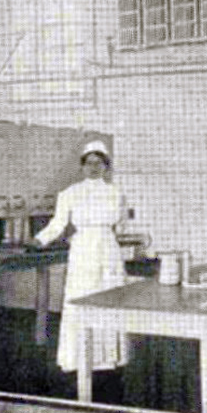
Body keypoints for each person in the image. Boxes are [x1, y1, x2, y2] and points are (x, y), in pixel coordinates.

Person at [28, 140, 128, 372]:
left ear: (106, 167)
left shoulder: (116, 193)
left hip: (109, 251)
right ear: (82, 166)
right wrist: (38, 240)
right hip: (83, 250)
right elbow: (57, 224)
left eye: (99, 163)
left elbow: (119, 227)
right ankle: (78, 357)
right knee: (82, 298)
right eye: (89, 163)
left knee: (109, 299)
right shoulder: (70, 193)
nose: (94, 167)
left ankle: (109, 358)